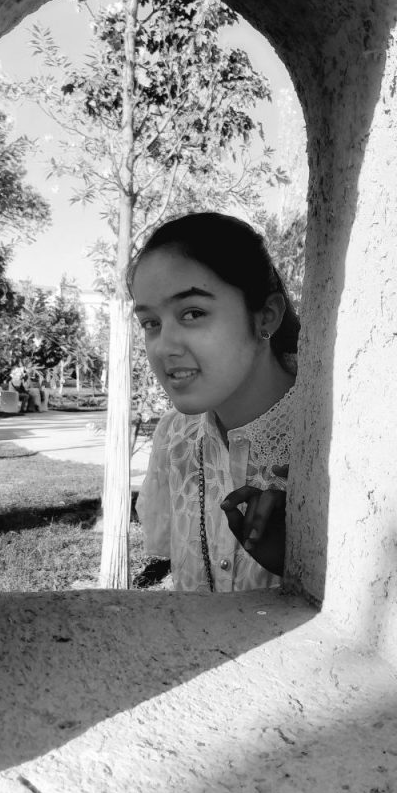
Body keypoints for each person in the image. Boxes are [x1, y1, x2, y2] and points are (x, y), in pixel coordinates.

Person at [129, 212, 299, 592]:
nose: (164, 347)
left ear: (266, 316)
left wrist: (302, 566)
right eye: (150, 323)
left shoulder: (328, 433)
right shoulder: (175, 437)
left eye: (193, 313)